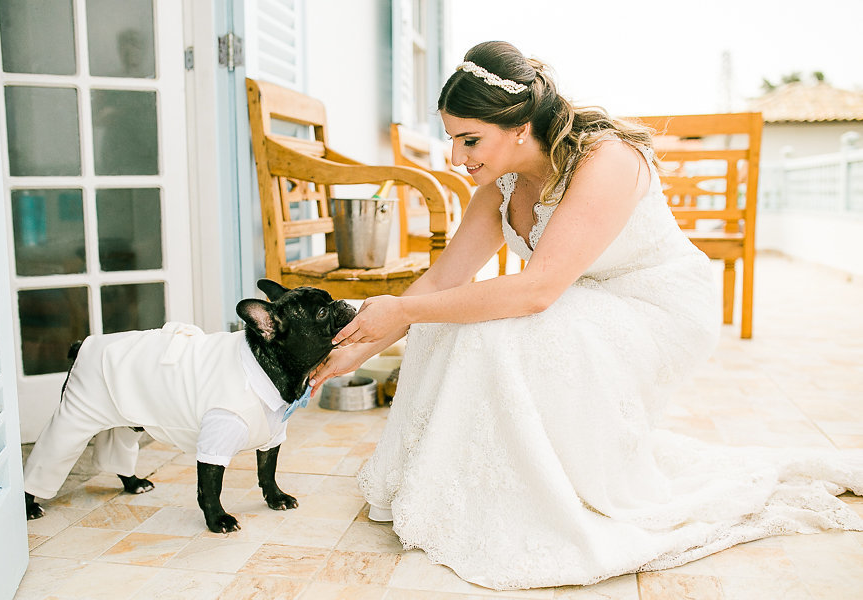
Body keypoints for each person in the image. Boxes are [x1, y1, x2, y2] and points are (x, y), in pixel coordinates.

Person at [309, 41, 863, 590]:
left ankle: (548, 491)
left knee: (493, 332)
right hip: (579, 300)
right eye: (453, 140)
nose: (457, 158)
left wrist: (404, 309)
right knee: (445, 323)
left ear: (520, 127)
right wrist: (353, 345)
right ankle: (487, 481)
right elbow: (440, 283)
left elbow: (539, 290)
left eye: (469, 139)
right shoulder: (499, 188)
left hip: (658, 308)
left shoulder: (606, 159)